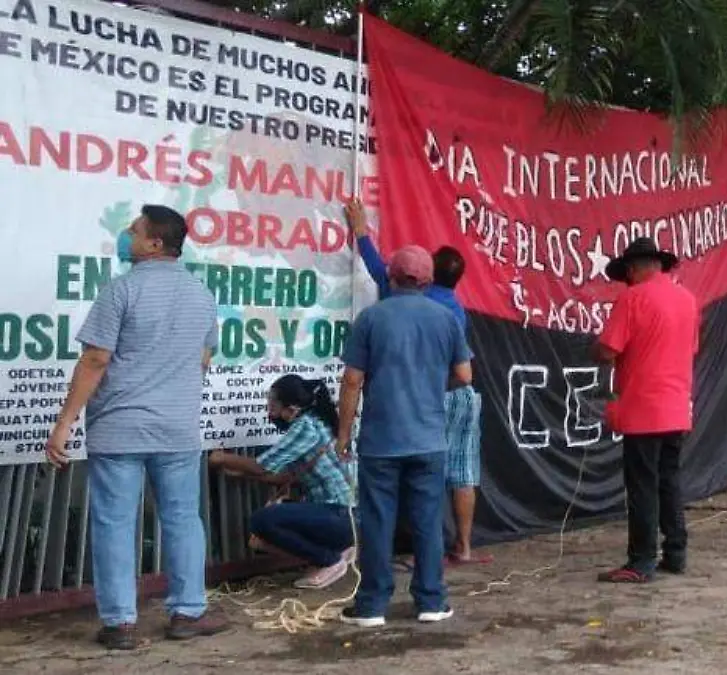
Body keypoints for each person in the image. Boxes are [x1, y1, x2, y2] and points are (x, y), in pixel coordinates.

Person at [45, 205, 228, 649]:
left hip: (120, 430)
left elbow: (95, 360)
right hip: (177, 431)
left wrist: (63, 424)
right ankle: (188, 613)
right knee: (184, 519)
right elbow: (203, 361)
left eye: (133, 230)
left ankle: (120, 623)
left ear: (154, 244)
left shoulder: (119, 292)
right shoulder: (203, 296)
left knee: (114, 523)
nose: (126, 235)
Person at [336, 244, 473, 627]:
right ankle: (431, 601)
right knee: (427, 520)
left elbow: (351, 380)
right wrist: (432, 387)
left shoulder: (370, 318)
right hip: (429, 438)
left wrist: (343, 434)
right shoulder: (446, 318)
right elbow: (464, 376)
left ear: (391, 277)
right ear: (428, 281)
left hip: (381, 440)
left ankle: (372, 606)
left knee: (377, 521)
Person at [346, 200, 489, 565]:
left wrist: (360, 229)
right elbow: (464, 374)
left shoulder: (397, 302)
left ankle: (410, 562)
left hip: (429, 400)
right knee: (463, 469)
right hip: (466, 397)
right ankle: (464, 547)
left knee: (418, 482)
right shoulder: (453, 308)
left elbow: (377, 266)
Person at [592, 237, 700, 584]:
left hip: (643, 409)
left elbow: (608, 350)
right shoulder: (688, 300)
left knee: (642, 486)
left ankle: (640, 561)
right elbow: (691, 348)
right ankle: (676, 552)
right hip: (676, 407)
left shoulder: (632, 298)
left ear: (634, 269)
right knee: (669, 481)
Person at [208, 375, 357, 590]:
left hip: (340, 515)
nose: (270, 411)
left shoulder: (305, 426)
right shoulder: (319, 420)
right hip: (347, 515)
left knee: (262, 521)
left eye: (274, 405)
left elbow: (263, 466)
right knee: (276, 516)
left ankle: (329, 560)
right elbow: (286, 476)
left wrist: (222, 458)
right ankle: (338, 550)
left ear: (292, 409)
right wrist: (242, 474)